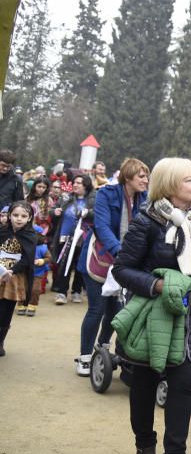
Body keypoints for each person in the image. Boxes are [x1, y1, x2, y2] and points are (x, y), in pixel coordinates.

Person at [111, 157, 191, 454]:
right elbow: (122, 269)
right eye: (188, 180)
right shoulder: (147, 221)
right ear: (169, 184)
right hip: (155, 317)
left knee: (183, 387)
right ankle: (145, 446)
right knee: (144, 386)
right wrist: (157, 286)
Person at [76, 158, 149, 376]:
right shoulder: (106, 194)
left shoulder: (145, 198)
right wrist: (120, 252)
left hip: (126, 262)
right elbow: (102, 226)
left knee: (116, 311)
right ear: (128, 177)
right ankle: (85, 357)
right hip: (100, 257)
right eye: (141, 176)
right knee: (97, 308)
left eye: (147, 176)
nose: (146, 180)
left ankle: (103, 348)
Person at [0, 202, 37, 356]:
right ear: (9, 216)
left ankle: (0, 341)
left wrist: (12, 270)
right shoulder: (2, 231)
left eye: (23, 216)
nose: (19, 219)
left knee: (6, 310)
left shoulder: (30, 236)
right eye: (15, 215)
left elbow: (28, 260)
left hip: (13, 277)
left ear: (29, 218)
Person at [52, 174, 95, 306]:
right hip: (65, 236)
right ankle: (61, 292)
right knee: (64, 264)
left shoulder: (94, 199)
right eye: (74, 182)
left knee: (80, 265)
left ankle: (77, 291)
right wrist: (54, 212)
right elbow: (53, 211)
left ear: (86, 185)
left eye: (79, 183)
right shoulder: (66, 198)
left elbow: (98, 214)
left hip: (84, 237)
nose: (75, 185)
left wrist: (88, 213)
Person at [18, 225, 50, 317]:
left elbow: (49, 258)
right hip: (25, 272)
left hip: (38, 273)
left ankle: (32, 306)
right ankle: (21, 305)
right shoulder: (22, 245)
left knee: (35, 290)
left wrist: (42, 261)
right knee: (23, 288)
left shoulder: (43, 247)